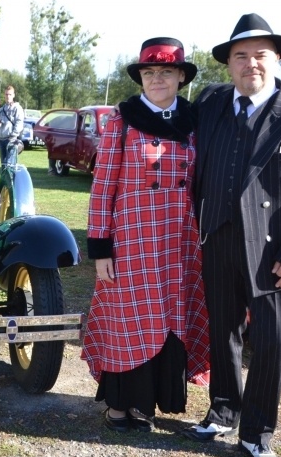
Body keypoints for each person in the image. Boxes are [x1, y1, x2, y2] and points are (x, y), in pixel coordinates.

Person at [184, 14, 281, 457]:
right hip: (219, 239)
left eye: (260, 55)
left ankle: (257, 431)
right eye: (240, 55)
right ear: (228, 64)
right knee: (223, 332)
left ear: (277, 59)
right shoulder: (211, 104)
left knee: (272, 341)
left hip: (275, 250)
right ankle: (223, 410)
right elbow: (163, 109)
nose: (251, 63)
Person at [81, 37, 210, 433]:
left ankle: (151, 403)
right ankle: (120, 406)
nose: (157, 79)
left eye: (166, 71)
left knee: (169, 317)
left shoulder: (194, 122)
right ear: (140, 78)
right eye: (150, 72)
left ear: (180, 77)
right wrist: (101, 248)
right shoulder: (122, 121)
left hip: (179, 242)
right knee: (131, 320)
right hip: (132, 241)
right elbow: (103, 187)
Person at [0, 85, 25, 166]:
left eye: (10, 94)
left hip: (11, 140)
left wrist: (13, 136)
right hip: (1, 139)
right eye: (6, 94)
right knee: (3, 165)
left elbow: (19, 123)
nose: (8, 96)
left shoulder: (17, 108)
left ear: (13, 95)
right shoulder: (2, 109)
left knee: (10, 165)